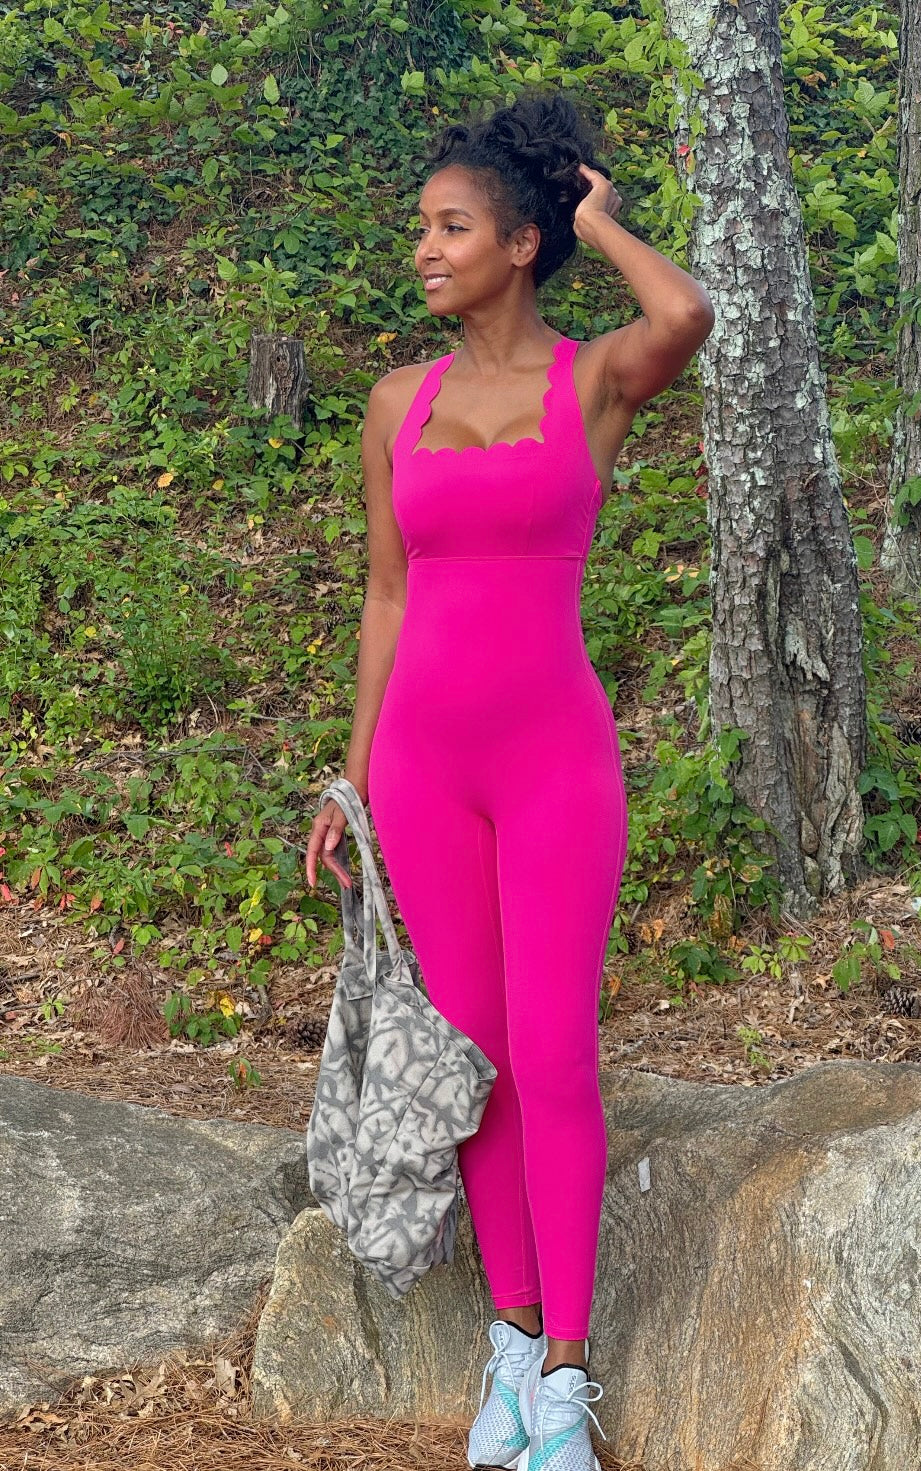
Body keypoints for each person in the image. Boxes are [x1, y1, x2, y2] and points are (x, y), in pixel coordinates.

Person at [306, 86, 714, 1471]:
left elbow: (685, 315)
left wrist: (604, 224)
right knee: (474, 1059)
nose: (424, 249)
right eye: (421, 227)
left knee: (552, 1052)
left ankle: (566, 1379)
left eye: (452, 226)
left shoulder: (591, 382)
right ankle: (510, 1341)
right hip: (422, 766)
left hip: (552, 762)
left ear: (521, 242)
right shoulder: (396, 402)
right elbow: (384, 598)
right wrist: (349, 779)